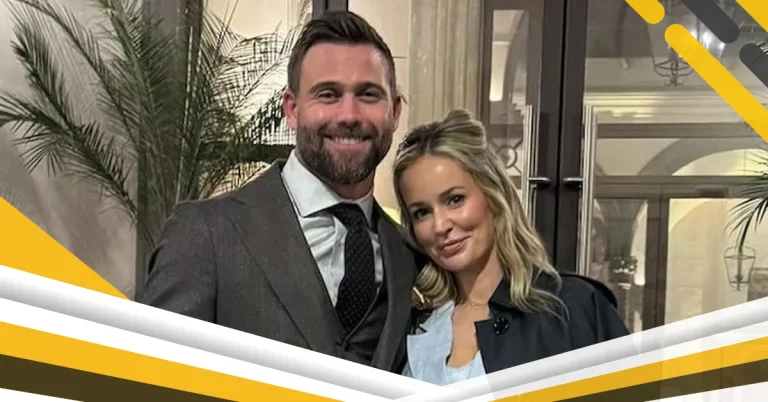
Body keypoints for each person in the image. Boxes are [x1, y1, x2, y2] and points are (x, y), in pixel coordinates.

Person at [140, 11, 422, 373]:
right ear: (292, 109)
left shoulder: (411, 254)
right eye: (328, 94)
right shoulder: (204, 234)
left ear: (394, 112)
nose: (349, 114)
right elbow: (151, 380)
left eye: (368, 95)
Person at [392, 109, 629, 385]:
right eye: (421, 212)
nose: (440, 225)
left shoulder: (574, 308)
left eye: (455, 200)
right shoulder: (412, 326)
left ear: (493, 194)